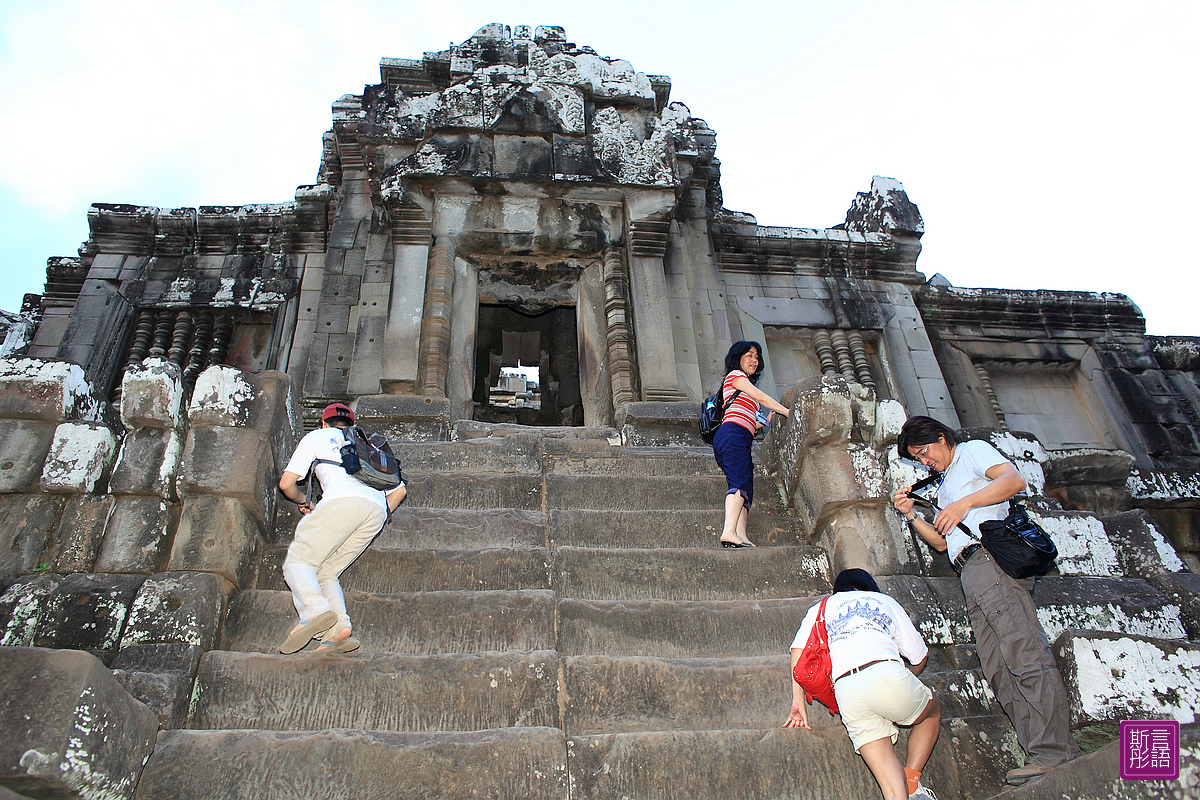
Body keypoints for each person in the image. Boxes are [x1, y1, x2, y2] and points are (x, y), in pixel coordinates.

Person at [891, 416, 1080, 786]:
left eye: (925, 452)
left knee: (1023, 653)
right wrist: (912, 515)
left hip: (990, 561)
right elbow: (944, 543)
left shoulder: (972, 452)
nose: (926, 462)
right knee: (998, 667)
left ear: (942, 438)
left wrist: (963, 504)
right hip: (969, 570)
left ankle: (1055, 752)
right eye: (919, 459)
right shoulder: (946, 484)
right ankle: (1037, 753)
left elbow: (1013, 481)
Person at [784, 569, 942, 800]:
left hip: (846, 690)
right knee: (932, 713)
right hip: (886, 672)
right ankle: (912, 779)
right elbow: (919, 656)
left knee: (891, 791)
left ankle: (903, 791)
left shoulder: (823, 606)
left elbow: (798, 651)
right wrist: (906, 676)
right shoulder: (884, 600)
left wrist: (798, 701)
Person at [276, 402, 407, 655]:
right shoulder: (366, 445)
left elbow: (287, 484)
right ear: (352, 424)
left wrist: (304, 502)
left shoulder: (318, 436)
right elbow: (399, 490)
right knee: (325, 572)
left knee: (298, 562)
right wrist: (379, 513)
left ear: (324, 423)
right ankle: (337, 631)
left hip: (341, 502)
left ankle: (314, 611)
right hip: (375, 511)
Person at [711, 341, 790, 547]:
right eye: (749, 355)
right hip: (731, 434)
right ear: (737, 358)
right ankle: (728, 531)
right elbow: (761, 397)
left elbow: (750, 421)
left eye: (757, 357)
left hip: (740, 436)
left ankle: (741, 535)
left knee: (746, 486)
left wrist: (768, 421)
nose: (754, 360)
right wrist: (787, 411)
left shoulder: (745, 391)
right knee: (738, 483)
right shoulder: (736, 376)